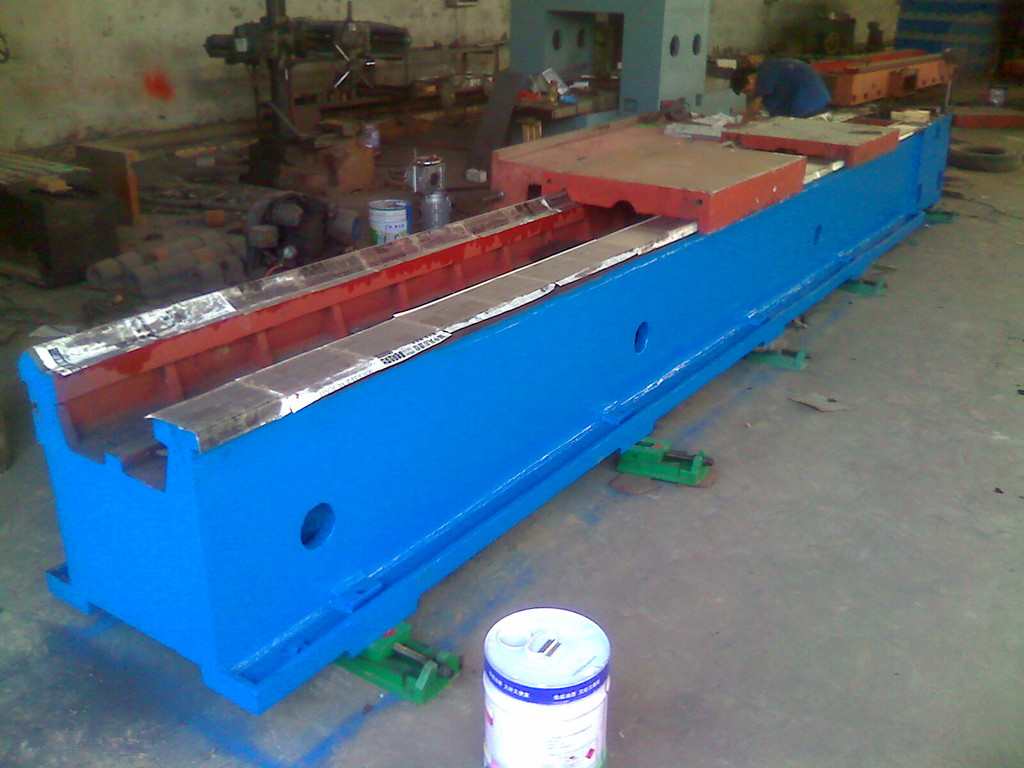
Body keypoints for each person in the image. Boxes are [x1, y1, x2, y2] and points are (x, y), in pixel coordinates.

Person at [730, 59, 831, 122]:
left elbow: (753, 109)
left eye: (748, 91)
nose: (750, 95)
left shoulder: (765, 72)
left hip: (810, 106)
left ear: (750, 79)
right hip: (817, 104)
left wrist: (740, 125)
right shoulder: (773, 72)